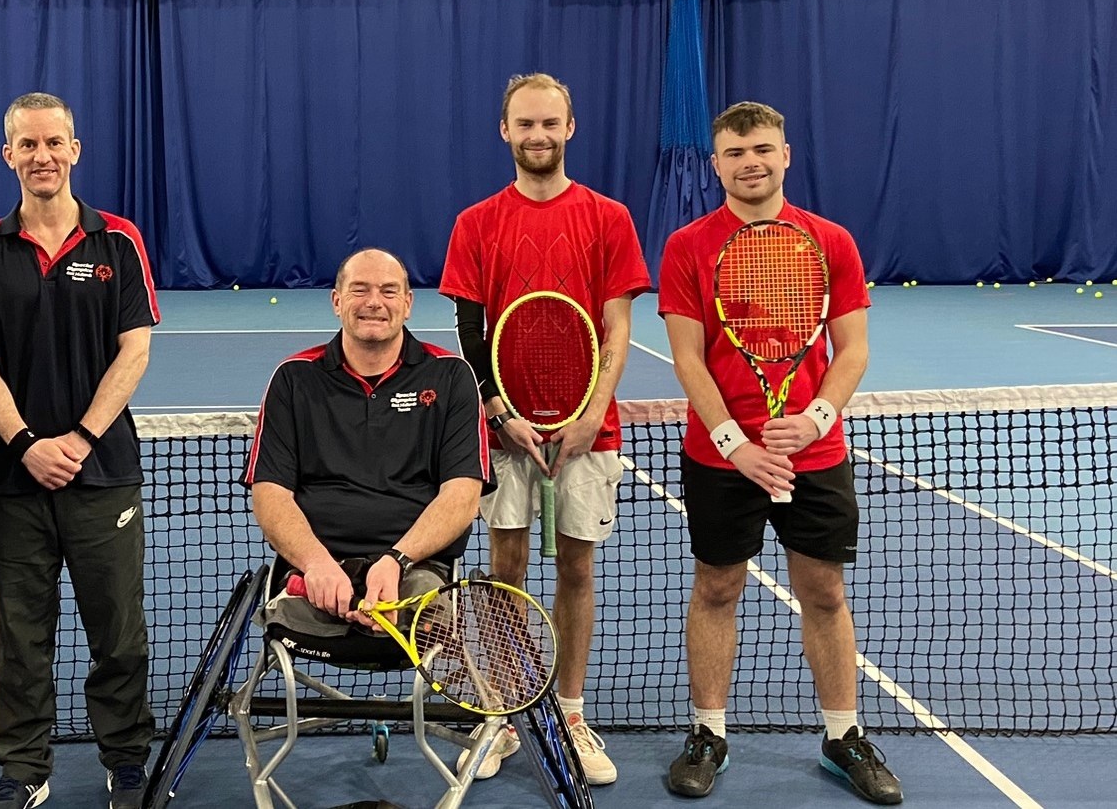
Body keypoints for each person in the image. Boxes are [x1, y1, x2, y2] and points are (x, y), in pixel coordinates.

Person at [658, 101, 901, 804]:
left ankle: (842, 736)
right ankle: (709, 733)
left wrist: (817, 416)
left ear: (786, 155)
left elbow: (852, 348)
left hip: (815, 454)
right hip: (720, 458)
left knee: (824, 591)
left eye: (762, 148)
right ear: (717, 165)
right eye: (735, 153)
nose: (750, 162)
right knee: (717, 587)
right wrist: (736, 445)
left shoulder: (832, 241)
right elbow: (688, 358)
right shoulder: (687, 247)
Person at [438, 72, 650, 783]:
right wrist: (498, 412)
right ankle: (501, 711)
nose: (537, 135)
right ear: (506, 131)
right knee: (505, 570)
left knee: (578, 568)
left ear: (570, 128)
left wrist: (591, 414)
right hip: (503, 433)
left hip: (590, 430)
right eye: (525, 124)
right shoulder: (476, 223)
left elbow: (618, 324)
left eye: (549, 123)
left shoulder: (608, 217)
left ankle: (568, 710)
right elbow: (471, 330)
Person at [0, 93, 160, 809]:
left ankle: (127, 761)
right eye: (28, 145)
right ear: (7, 154)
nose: (42, 156)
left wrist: (76, 439)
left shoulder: (119, 241)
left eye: (55, 143)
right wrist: (24, 443)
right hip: (14, 481)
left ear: (76, 150)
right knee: (21, 636)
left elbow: (134, 350)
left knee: (120, 632)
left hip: (103, 474)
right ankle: (24, 768)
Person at [245, 246, 488, 650]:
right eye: (359, 290)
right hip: (317, 572)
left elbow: (462, 497)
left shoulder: (451, 377)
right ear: (337, 301)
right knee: (284, 617)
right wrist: (318, 565)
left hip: (415, 570)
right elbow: (270, 495)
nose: (374, 302)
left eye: (389, 291)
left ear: (408, 304)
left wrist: (396, 560)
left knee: (429, 614)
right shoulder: (293, 380)